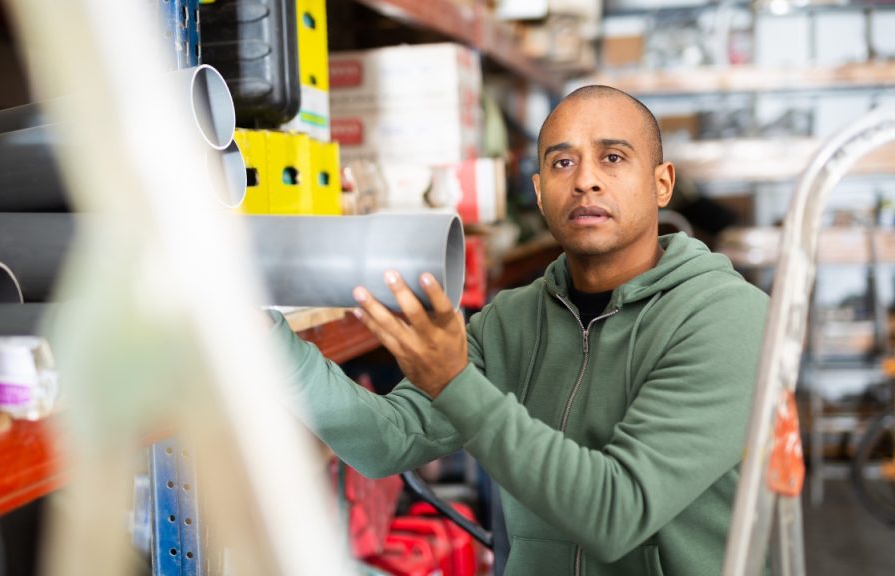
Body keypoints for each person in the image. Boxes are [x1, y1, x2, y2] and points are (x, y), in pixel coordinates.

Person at [268, 85, 769, 575]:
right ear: (539, 191)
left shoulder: (728, 318)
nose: (585, 181)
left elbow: (618, 512)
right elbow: (386, 443)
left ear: (662, 183)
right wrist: (266, 340)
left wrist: (454, 383)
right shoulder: (512, 320)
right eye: (562, 162)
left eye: (613, 158)